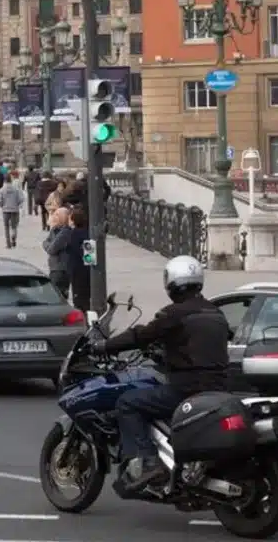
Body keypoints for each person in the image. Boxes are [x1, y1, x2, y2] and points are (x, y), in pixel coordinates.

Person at [88, 255, 229, 493]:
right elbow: (196, 347)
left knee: (128, 403)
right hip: (219, 388)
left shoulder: (174, 314)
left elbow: (140, 335)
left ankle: (146, 462)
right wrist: (166, 355)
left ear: (172, 283)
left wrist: (104, 346)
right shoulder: (216, 313)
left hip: (187, 389)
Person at [42, 208, 72, 298]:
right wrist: (48, 245)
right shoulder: (55, 229)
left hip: (61, 269)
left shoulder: (65, 232)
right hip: (54, 267)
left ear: (62, 218)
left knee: (56, 295)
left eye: (57, 215)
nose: (53, 217)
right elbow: (45, 242)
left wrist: (48, 245)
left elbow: (52, 249)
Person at [66, 207, 91, 310]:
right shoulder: (87, 233)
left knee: (79, 299)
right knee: (85, 297)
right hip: (86, 270)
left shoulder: (73, 234)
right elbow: (89, 256)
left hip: (77, 270)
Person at [0, 175, 26, 248]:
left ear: (4, 181)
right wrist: (17, 204)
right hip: (15, 210)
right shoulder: (16, 189)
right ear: (11, 180)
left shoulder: (1, 190)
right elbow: (21, 199)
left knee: (6, 227)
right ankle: (13, 237)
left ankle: (8, 244)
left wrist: (2, 206)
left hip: (5, 210)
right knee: (14, 226)